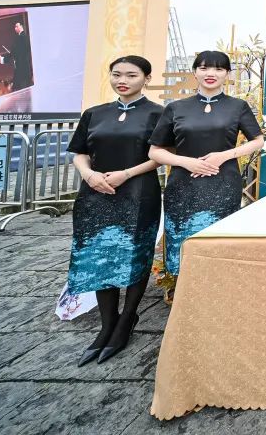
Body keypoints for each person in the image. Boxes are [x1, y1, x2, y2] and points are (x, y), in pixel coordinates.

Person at [65, 55, 163, 366]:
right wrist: (88, 175)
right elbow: (79, 153)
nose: (123, 80)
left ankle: (127, 319)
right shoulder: (94, 114)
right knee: (99, 255)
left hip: (138, 191)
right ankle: (107, 323)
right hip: (95, 192)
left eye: (131, 75)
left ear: (146, 79)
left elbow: (161, 155)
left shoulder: (158, 113)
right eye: (117, 74)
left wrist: (127, 174)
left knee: (136, 252)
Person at [148, 50, 263, 296]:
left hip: (223, 183)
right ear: (195, 72)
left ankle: (217, 297)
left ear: (227, 74)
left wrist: (224, 155)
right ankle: (185, 297)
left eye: (218, 69)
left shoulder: (238, 107)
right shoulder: (175, 108)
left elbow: (257, 140)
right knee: (183, 241)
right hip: (183, 185)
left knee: (218, 241)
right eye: (204, 68)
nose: (211, 73)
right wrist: (186, 162)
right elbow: (155, 151)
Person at [0, 21, 34, 90]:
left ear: (21, 26)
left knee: (22, 89)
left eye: (17, 26)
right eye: (15, 27)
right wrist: (3, 59)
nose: (15, 28)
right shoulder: (20, 38)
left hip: (23, 71)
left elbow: (14, 52)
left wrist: (4, 59)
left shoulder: (23, 37)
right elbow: (14, 53)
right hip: (21, 70)